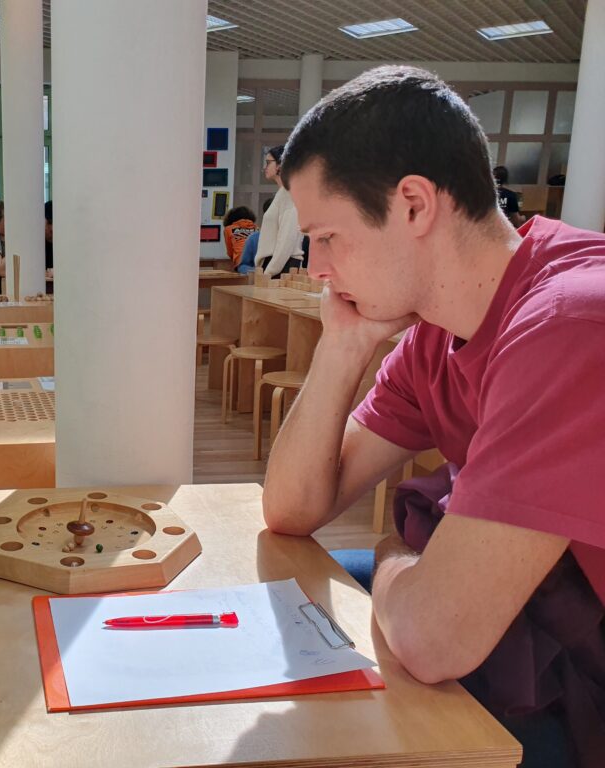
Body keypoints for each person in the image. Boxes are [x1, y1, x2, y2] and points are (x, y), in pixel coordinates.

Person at [266, 65, 605, 768]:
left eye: (326, 236)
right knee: (290, 615)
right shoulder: (434, 334)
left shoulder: (571, 323)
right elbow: (292, 509)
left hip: (584, 681)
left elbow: (434, 639)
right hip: (529, 626)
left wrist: (395, 550)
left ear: (415, 205)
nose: (315, 266)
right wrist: (342, 346)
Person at [249, 145, 304, 277]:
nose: (265, 167)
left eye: (268, 163)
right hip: (277, 264)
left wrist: (270, 271)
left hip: (282, 266)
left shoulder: (290, 193)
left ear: (280, 164)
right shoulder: (282, 194)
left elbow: (287, 238)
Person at [236, 197, 273, 274]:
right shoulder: (254, 239)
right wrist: (258, 272)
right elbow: (243, 266)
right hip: (260, 278)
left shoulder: (294, 239)